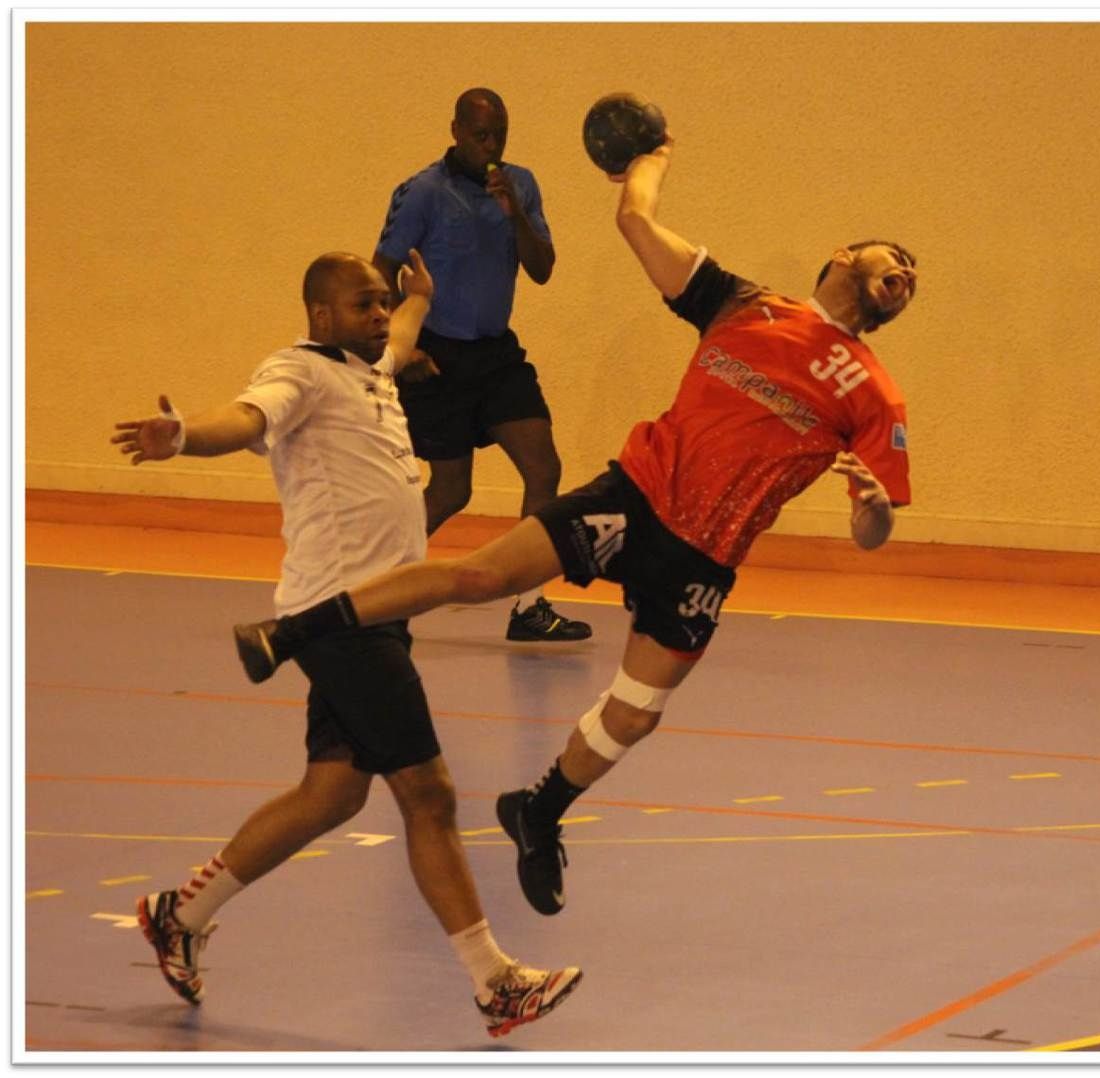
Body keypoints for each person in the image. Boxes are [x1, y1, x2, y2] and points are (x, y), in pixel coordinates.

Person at [232, 132, 918, 921]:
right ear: (844, 257)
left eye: (913, 280)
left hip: (705, 556)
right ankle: (293, 631)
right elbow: (635, 222)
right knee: (481, 575)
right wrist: (651, 158)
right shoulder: (744, 303)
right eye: (896, 259)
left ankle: (540, 808)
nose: (906, 274)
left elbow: (874, 533)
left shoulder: (876, 394)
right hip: (637, 496)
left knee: (636, 712)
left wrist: (871, 513)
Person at [110, 249, 581, 1038]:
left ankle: (179, 916)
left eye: (381, 303)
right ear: (321, 315)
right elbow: (247, 418)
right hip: (340, 621)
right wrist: (184, 435)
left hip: (380, 615)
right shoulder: (298, 373)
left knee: (331, 793)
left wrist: (418, 301)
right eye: (364, 304)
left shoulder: (373, 366)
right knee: (428, 793)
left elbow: (398, 340)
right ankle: (495, 981)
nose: (378, 314)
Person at [374, 86, 591, 644]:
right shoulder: (423, 191)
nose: (491, 145)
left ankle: (530, 607)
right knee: (452, 491)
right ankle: (375, 595)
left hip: (495, 354)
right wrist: (402, 347)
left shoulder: (521, 185)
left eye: (500, 135)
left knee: (543, 467)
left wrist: (514, 213)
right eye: (480, 135)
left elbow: (542, 268)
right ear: (455, 131)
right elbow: (380, 271)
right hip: (436, 356)